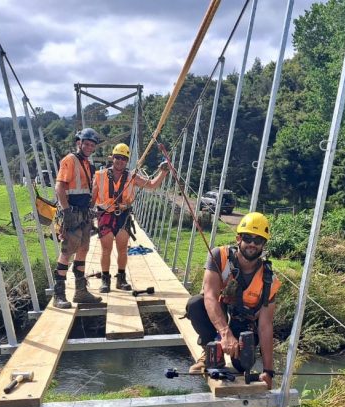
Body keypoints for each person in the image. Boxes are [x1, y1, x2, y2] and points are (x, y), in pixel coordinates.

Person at [185, 212, 280, 389]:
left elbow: (266, 325)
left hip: (244, 323)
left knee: (241, 365)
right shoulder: (219, 256)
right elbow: (210, 297)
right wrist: (225, 334)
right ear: (238, 238)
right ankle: (210, 351)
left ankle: (236, 356)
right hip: (219, 317)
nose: (252, 243)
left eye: (258, 240)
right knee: (195, 304)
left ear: (263, 245)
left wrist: (268, 371)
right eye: (248, 237)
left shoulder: (269, 280)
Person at [92, 143, 169, 292]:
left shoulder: (131, 177)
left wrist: (163, 172)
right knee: (106, 249)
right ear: (112, 158)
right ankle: (105, 280)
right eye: (117, 157)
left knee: (122, 249)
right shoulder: (100, 176)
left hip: (123, 216)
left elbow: (152, 185)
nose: (120, 161)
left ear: (127, 161)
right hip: (105, 215)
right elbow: (93, 197)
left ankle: (121, 279)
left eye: (124, 159)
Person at [53, 127, 103, 309]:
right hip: (72, 212)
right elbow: (60, 188)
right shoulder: (70, 160)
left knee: (83, 250)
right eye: (86, 143)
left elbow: (86, 191)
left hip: (83, 213)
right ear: (78, 143)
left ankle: (80, 292)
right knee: (67, 252)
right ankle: (59, 295)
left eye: (92, 145)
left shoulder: (89, 165)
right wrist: (66, 212)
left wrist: (91, 209)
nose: (89, 147)